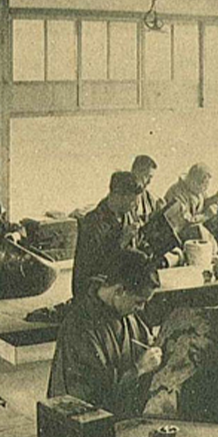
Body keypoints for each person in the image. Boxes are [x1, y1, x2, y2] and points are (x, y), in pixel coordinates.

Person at [49, 248, 164, 418]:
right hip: (83, 420)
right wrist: (139, 368)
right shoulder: (80, 327)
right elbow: (95, 395)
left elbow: (143, 339)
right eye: (138, 302)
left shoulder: (125, 314)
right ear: (119, 291)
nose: (141, 308)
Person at [71, 171, 144, 301]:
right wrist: (121, 242)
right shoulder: (93, 222)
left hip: (117, 280)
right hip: (91, 288)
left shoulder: (126, 215)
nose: (135, 205)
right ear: (118, 195)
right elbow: (95, 267)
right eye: (132, 201)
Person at [128, 155, 164, 227]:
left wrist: (159, 213)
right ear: (135, 172)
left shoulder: (148, 198)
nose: (149, 182)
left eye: (151, 178)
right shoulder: (123, 195)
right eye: (147, 176)